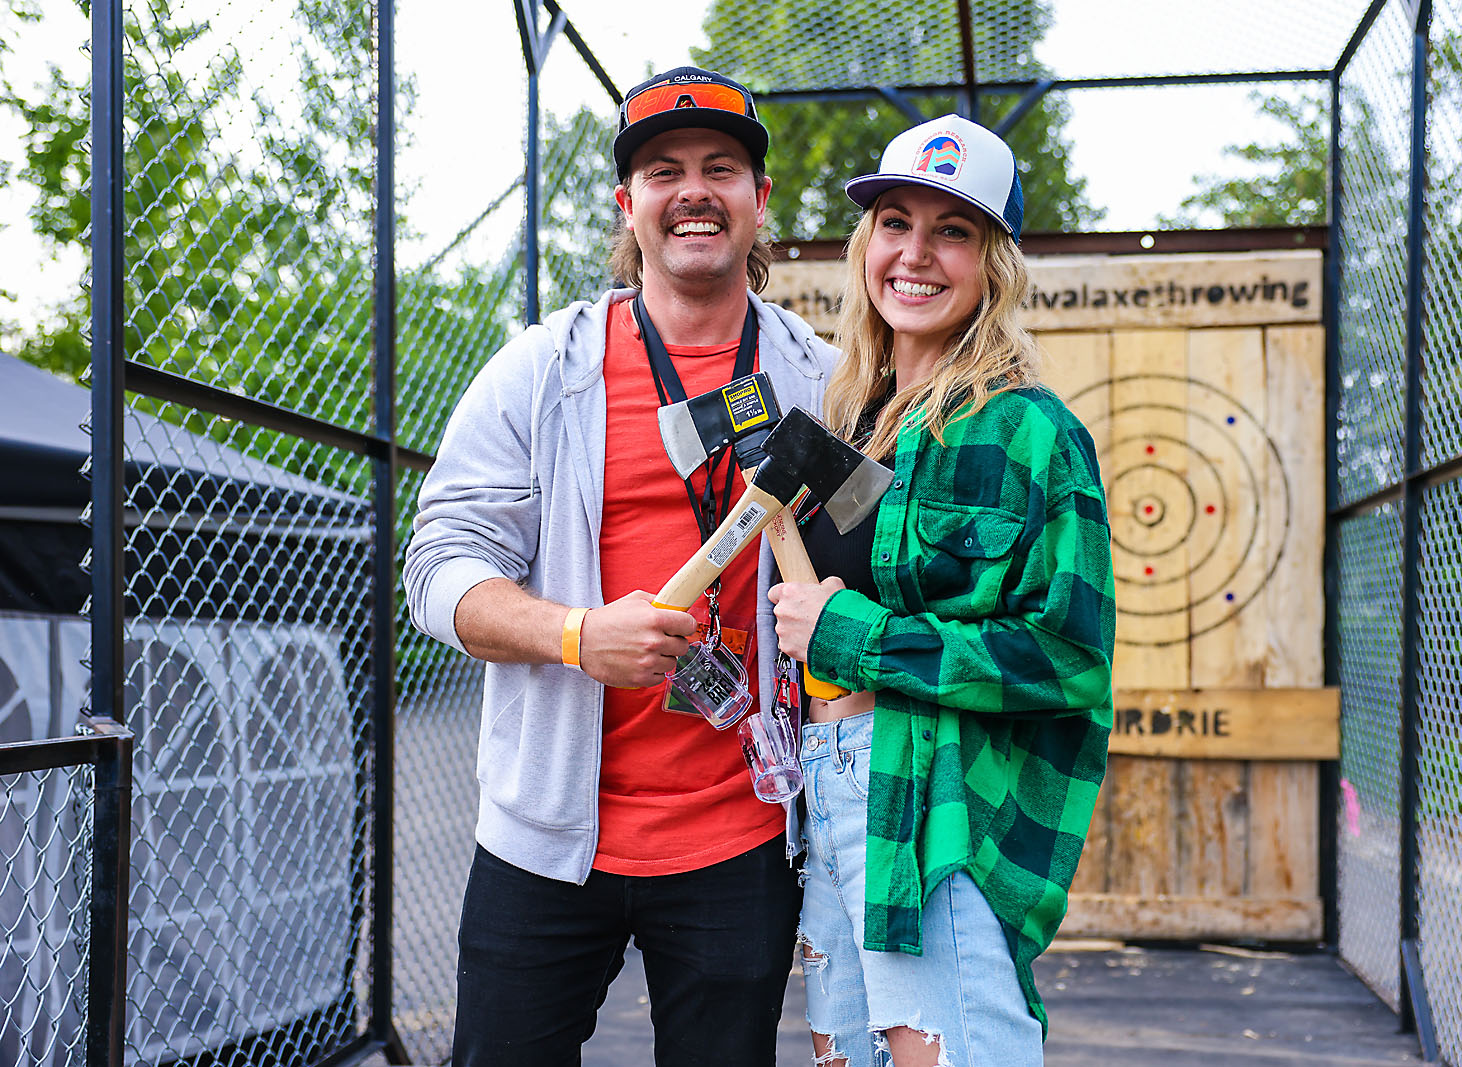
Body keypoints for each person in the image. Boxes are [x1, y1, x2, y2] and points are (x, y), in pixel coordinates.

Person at [402, 67, 836, 1066]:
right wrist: (575, 635)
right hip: (546, 838)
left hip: (742, 832)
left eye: (721, 167)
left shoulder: (818, 375)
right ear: (627, 204)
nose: (693, 188)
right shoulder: (543, 371)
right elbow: (436, 566)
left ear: (758, 199)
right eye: (663, 170)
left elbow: (868, 545)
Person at [767, 114, 1115, 1067]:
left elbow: (1072, 657)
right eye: (894, 222)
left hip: (937, 796)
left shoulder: (1031, 432)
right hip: (829, 782)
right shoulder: (855, 421)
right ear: (864, 245)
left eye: (951, 231)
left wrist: (857, 636)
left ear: (992, 263)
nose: (915, 254)